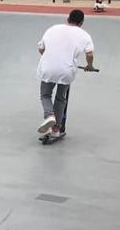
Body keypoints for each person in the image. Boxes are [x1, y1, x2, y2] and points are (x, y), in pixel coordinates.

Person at [36, 9, 97, 139]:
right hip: (67, 70)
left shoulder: (53, 29)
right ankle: (56, 128)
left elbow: (41, 48)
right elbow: (90, 54)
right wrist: (90, 66)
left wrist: (51, 57)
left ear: (68, 18)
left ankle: (49, 115)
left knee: (45, 95)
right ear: (81, 22)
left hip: (48, 67)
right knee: (60, 98)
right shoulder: (84, 35)